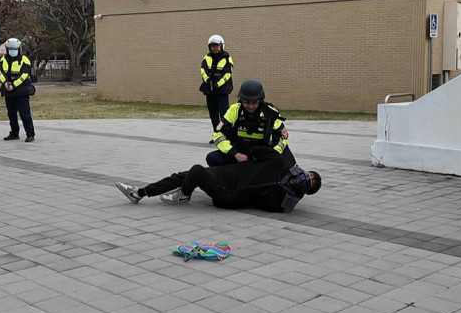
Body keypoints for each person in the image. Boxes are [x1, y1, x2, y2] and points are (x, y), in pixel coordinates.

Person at [115, 158, 321, 213]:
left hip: (229, 195)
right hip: (227, 176)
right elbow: (278, 151)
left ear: (307, 191)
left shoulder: (285, 201)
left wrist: (288, 191)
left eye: (309, 183)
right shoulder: (281, 166)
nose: (306, 178)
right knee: (183, 175)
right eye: (309, 174)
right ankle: (139, 193)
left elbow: (261, 204)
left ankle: (184, 195)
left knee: (196, 171)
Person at [207, 79, 295, 167]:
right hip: (240, 152)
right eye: (246, 102)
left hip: (264, 153)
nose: (250, 106)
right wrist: (235, 154)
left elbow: (282, 138)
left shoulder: (271, 113)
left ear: (260, 100)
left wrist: (271, 154)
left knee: (285, 160)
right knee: (212, 158)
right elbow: (218, 135)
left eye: (254, 103)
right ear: (241, 100)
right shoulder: (234, 110)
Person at [0, 37, 35, 142]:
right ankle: (14, 133)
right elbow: (0, 72)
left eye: (15, 49)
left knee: (25, 114)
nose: (12, 51)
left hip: (21, 91)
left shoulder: (24, 60)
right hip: (8, 91)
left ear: (19, 49)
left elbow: (24, 75)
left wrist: (13, 84)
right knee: (11, 114)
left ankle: (30, 134)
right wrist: (5, 83)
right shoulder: (3, 59)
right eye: (10, 49)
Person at [199, 34, 234, 131]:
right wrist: (208, 80)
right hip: (209, 90)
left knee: (224, 114)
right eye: (212, 46)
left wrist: (218, 83)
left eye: (217, 46)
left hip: (222, 91)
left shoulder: (227, 57)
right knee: (213, 114)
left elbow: (228, 74)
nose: (215, 48)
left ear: (221, 46)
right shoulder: (206, 58)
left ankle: (226, 134)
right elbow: (203, 70)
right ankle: (216, 133)